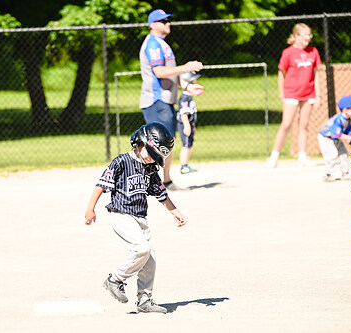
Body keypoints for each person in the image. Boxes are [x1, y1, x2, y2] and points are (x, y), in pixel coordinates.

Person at [84, 122, 186, 313]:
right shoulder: (121, 162)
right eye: (152, 154)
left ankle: (144, 300)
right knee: (142, 248)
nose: (153, 159)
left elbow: (161, 194)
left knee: (150, 258)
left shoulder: (150, 168)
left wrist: (175, 212)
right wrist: (90, 209)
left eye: (157, 158)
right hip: (121, 214)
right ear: (140, 143)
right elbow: (101, 185)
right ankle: (115, 279)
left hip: (140, 218)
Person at [139, 9, 204, 189]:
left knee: (166, 143)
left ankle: (165, 181)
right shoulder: (153, 44)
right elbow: (159, 72)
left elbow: (169, 75)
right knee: (156, 144)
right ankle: (148, 182)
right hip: (156, 100)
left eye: (168, 20)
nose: (168, 23)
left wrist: (188, 86)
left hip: (165, 101)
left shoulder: (162, 44)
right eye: (163, 21)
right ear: (153, 25)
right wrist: (186, 67)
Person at [266, 23, 322, 168]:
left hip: (308, 93)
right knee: (286, 124)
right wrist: (281, 93)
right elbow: (281, 73)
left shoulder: (313, 51)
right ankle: (274, 156)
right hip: (291, 93)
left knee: (304, 125)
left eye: (309, 35)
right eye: (305, 35)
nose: (308, 38)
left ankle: (302, 156)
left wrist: (318, 95)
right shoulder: (288, 53)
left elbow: (316, 74)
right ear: (297, 36)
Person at [318, 95, 351, 181]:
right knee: (332, 154)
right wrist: (349, 138)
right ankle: (328, 174)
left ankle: (345, 173)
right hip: (325, 137)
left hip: (336, 138)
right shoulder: (338, 119)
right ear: (345, 110)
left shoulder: (348, 120)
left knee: (344, 153)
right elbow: (337, 134)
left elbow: (347, 134)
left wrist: (350, 140)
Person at [177, 71, 200, 174]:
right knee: (186, 144)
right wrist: (187, 126)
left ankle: (186, 164)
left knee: (189, 144)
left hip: (189, 124)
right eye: (193, 80)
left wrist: (192, 125)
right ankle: (183, 166)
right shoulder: (185, 98)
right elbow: (184, 114)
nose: (195, 82)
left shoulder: (189, 96)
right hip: (184, 124)